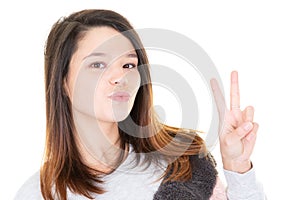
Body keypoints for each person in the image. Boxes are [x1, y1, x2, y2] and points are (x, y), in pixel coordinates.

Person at [15, 9, 265, 200]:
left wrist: (237, 167)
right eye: (97, 64)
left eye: (128, 65)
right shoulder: (37, 193)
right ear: (63, 82)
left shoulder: (183, 164)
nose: (120, 77)